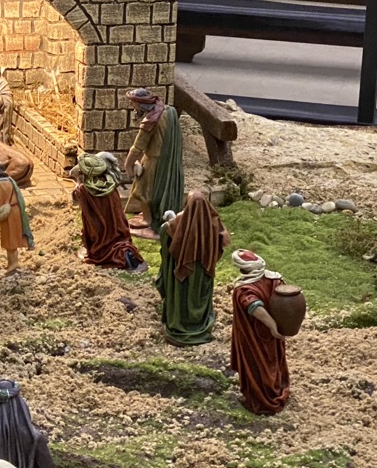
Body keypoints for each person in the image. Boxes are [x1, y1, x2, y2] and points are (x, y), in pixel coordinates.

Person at [158, 191, 230, 345]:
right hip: (203, 271)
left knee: (181, 297)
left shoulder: (178, 222)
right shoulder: (213, 222)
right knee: (198, 296)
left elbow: (166, 233)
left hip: (182, 273)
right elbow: (222, 238)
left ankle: (180, 324)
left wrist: (166, 226)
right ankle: (199, 323)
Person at [230, 249, 291, 415]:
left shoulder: (244, 289)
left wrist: (271, 325)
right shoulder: (275, 279)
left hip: (254, 334)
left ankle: (263, 400)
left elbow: (254, 307)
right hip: (273, 333)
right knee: (272, 360)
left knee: (257, 364)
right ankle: (276, 389)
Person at [122, 88, 185, 240]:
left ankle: (148, 220)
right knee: (158, 189)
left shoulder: (150, 122)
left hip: (154, 159)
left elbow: (137, 147)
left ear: (141, 104)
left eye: (133, 102)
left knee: (142, 190)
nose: (131, 106)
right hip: (170, 159)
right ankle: (154, 214)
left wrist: (128, 165)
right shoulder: (169, 111)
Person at [70, 151, 145, 271]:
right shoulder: (110, 186)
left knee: (100, 245)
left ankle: (121, 255)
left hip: (98, 231)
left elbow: (74, 199)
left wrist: (78, 182)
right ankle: (125, 254)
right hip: (117, 230)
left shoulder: (84, 190)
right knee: (116, 243)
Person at [0, 162, 33, 273]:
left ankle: (13, 263)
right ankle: (11, 262)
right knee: (12, 238)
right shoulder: (10, 181)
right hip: (15, 210)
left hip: (9, 213)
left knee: (10, 239)